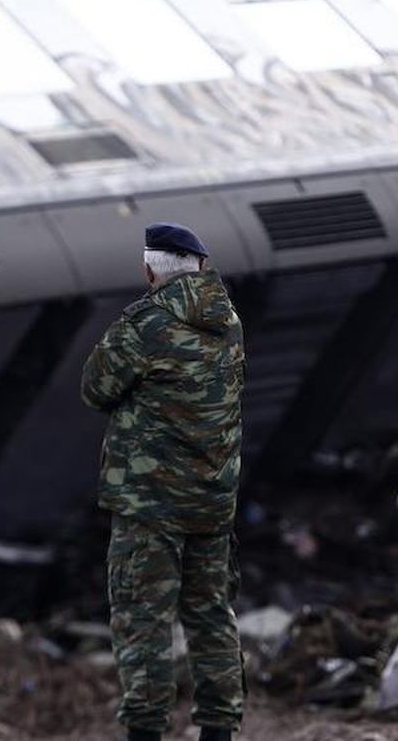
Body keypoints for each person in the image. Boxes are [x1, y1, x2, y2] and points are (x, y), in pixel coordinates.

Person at [80, 222, 245, 741]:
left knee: (143, 620)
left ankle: (147, 731)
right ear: (199, 266)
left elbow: (95, 387)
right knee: (211, 614)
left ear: (150, 269)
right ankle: (220, 729)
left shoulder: (145, 325)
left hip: (150, 505)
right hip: (213, 499)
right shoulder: (229, 321)